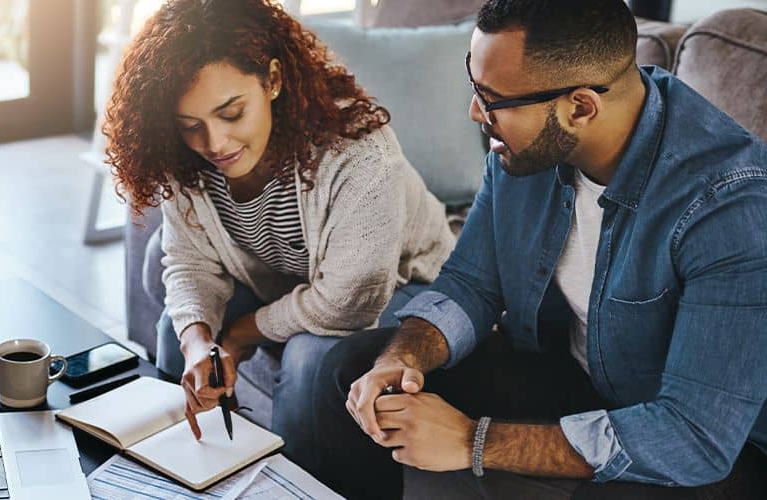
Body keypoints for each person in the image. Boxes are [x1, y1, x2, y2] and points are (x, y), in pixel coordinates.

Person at [311, 0, 767, 498]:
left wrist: (471, 441)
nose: (474, 113)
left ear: (580, 107)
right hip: (573, 375)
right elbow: (471, 283)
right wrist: (402, 360)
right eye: (474, 87)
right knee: (352, 374)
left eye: (491, 99)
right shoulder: (525, 150)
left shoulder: (729, 206)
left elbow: (693, 437)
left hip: (707, 442)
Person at [101, 0, 455, 467]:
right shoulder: (187, 156)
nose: (215, 144)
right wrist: (198, 344)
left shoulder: (359, 153)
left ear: (272, 80)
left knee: (310, 360)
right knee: (177, 328)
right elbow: (189, 262)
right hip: (290, 278)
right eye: (191, 126)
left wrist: (240, 335)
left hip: (405, 286)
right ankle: (184, 466)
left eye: (231, 113)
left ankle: (298, 486)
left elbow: (345, 302)